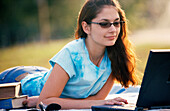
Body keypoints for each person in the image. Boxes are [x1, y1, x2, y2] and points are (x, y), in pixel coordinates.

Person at [0, 0, 138, 109]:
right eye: (104, 24)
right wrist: (48, 100)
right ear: (86, 27)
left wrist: (57, 101)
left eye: (116, 23)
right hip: (15, 82)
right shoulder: (72, 54)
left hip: (45, 76)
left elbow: (97, 100)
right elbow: (44, 102)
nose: (113, 29)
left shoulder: (116, 56)